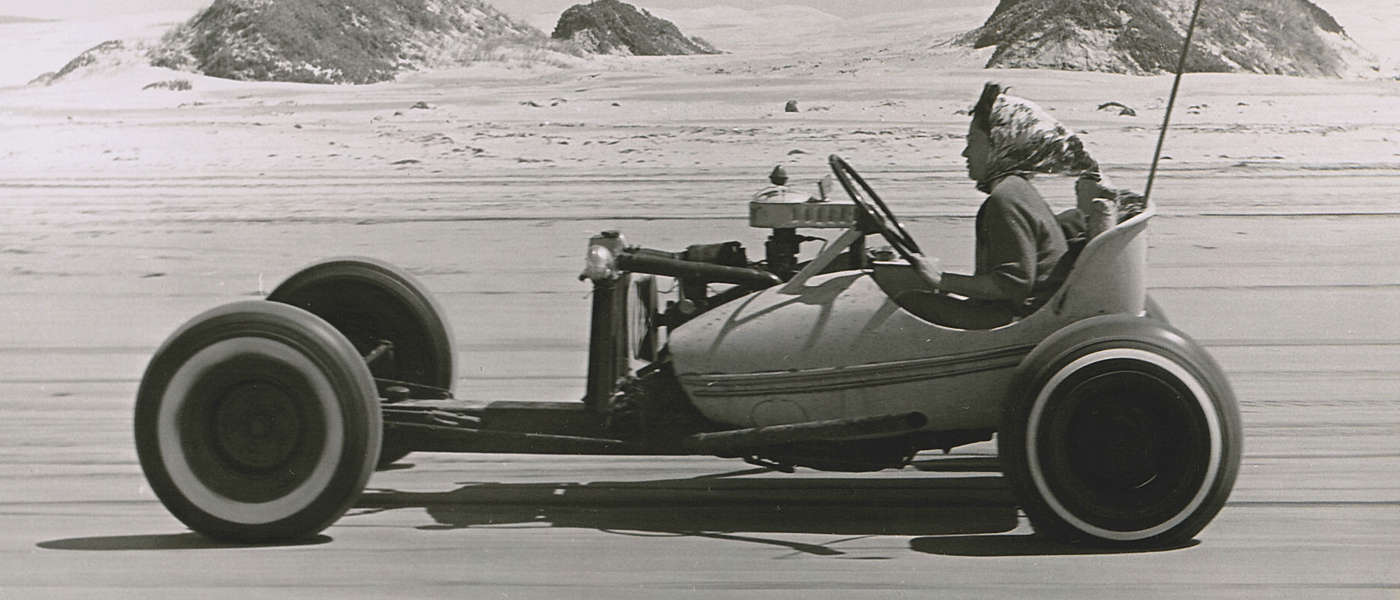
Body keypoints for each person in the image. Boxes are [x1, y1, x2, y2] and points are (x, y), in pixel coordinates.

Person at [902, 82, 1121, 329]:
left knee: (909, 301)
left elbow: (1013, 284)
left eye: (973, 141)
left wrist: (941, 280)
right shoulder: (1016, 188)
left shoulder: (1004, 199)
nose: (965, 153)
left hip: (1020, 320)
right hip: (1030, 311)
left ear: (999, 143)